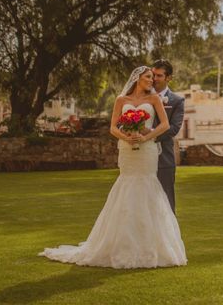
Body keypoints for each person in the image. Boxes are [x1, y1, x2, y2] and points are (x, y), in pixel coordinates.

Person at [38, 66, 187, 269]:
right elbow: (113, 127)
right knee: (126, 187)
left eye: (153, 77)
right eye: (148, 77)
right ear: (137, 79)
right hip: (127, 150)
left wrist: (145, 136)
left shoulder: (154, 99)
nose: (152, 80)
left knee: (148, 187)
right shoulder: (121, 100)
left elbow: (165, 126)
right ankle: (120, 243)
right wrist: (126, 136)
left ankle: (152, 245)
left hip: (147, 150)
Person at [150, 59, 185, 214]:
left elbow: (174, 128)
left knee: (166, 198)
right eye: (152, 75)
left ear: (168, 78)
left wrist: (150, 137)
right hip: (141, 157)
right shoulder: (140, 97)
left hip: (164, 156)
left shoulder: (177, 101)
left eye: (159, 75)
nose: (154, 79)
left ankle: (169, 236)